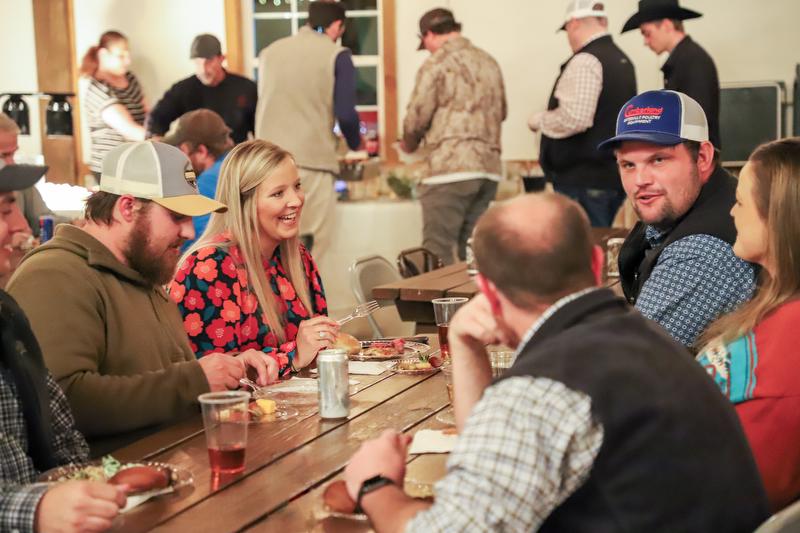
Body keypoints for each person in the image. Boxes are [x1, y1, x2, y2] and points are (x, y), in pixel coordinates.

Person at [343, 192, 768, 532]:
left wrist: (375, 485)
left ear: (488, 293)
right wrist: (467, 349)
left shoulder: (545, 389)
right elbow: (495, 473)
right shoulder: (645, 336)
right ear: (597, 264)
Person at [7, 141, 278, 455]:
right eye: (177, 217)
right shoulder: (55, 274)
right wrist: (195, 381)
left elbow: (167, 379)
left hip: (180, 470)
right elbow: (63, 401)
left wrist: (228, 372)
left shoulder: (144, 271)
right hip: (108, 492)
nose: (190, 231)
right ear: (126, 208)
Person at [0, 163, 127, 533]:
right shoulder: (55, 273)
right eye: (5, 211)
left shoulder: (7, 314)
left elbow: (66, 442)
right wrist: (36, 509)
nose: (23, 228)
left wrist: (96, 483)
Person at [599, 90, 755, 348]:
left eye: (658, 160)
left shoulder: (701, 253)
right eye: (628, 165)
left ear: (702, 157)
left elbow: (624, 356)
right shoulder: (683, 207)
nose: (640, 181)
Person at [170, 140, 337, 377]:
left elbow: (319, 350)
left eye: (297, 186)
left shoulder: (297, 256)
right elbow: (213, 379)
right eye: (278, 193)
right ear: (243, 203)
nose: (296, 200)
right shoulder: (209, 266)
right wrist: (294, 356)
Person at [696, 138, 800, 512]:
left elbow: (738, 490)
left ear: (778, 217)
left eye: (740, 202)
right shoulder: (777, 309)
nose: (731, 213)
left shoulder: (786, 343)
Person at [400, 7, 506, 265]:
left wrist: (408, 144)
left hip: (450, 170)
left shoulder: (436, 64)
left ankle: (441, 307)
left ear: (429, 35)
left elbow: (417, 117)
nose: (427, 49)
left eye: (424, 43)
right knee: (475, 252)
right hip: (488, 170)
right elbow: (502, 111)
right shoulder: (489, 61)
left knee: (436, 253)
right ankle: (481, 305)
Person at [255, 0, 362, 257]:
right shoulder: (337, 55)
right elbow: (346, 115)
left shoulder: (269, 52)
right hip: (310, 165)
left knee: (271, 248)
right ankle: (310, 298)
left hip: (264, 166)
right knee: (315, 249)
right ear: (337, 26)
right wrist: (357, 144)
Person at [529, 0, 636, 227]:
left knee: (581, 251)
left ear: (574, 23)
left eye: (567, 29)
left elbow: (575, 118)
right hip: (608, 176)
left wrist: (538, 120)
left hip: (583, 180)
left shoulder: (586, 60)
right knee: (595, 245)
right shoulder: (622, 60)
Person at [622, 0, 721, 149]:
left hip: (697, 156)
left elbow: (696, 119)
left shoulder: (693, 60)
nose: (645, 42)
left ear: (667, 25)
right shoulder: (685, 58)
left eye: (647, 33)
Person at [147, 34, 257, 145]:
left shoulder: (246, 88)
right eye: (198, 63)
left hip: (234, 157)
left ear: (221, 59)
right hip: (196, 158)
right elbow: (157, 117)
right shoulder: (184, 89)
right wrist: (156, 140)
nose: (203, 69)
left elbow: (259, 127)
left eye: (208, 62)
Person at [80, 31, 147, 180]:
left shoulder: (130, 78)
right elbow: (129, 130)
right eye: (121, 56)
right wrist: (167, 141)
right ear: (103, 54)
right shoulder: (99, 90)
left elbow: (148, 113)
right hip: (112, 169)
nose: (127, 61)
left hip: (136, 163)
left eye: (128, 55)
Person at [164, 108, 234, 249]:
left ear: (202, 151)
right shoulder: (237, 163)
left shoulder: (208, 181)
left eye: (182, 151)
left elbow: (196, 245)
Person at [0, 113, 69, 238]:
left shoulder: (18, 180)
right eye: (3, 155)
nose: (12, 163)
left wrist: (73, 225)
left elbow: (42, 219)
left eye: (13, 154)